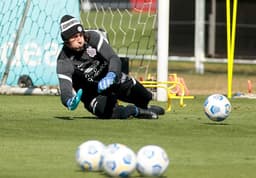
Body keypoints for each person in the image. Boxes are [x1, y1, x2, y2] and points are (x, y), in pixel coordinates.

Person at [56, 15, 164, 119]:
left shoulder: (93, 37)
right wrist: (69, 101)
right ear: (66, 42)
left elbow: (113, 58)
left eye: (80, 35)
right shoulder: (63, 61)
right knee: (107, 112)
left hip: (111, 80)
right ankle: (134, 111)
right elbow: (65, 89)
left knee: (145, 97)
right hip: (93, 95)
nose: (80, 40)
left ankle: (145, 107)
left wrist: (111, 75)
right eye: (75, 37)